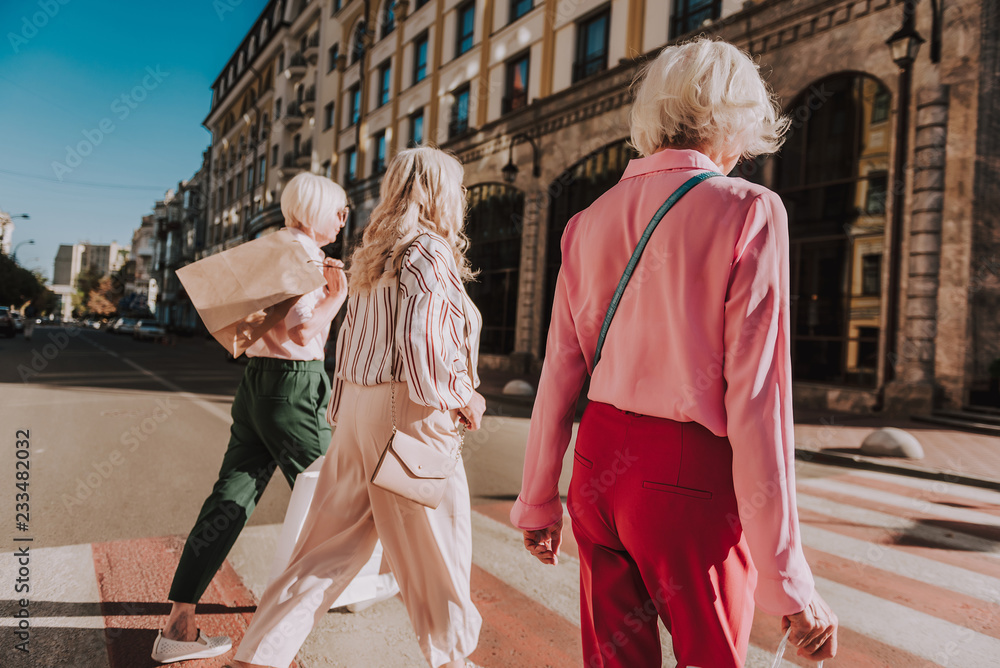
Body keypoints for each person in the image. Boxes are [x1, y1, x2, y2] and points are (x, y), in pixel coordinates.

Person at [511, 37, 838, 667]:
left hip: (597, 466)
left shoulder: (586, 221)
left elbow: (558, 373)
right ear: (735, 116)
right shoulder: (749, 210)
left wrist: (538, 498)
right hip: (689, 476)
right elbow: (758, 401)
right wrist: (788, 581)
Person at [227, 146, 486, 668]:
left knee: (326, 546)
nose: (460, 197)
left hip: (360, 415)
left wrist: (342, 409)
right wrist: (463, 395)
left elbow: (348, 342)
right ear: (440, 193)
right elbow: (424, 340)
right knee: (438, 550)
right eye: (457, 187)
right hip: (411, 412)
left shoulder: (374, 254)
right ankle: (454, 659)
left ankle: (259, 653)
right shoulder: (430, 251)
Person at [151, 172, 351, 664]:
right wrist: (337, 296)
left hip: (256, 384)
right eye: (338, 209)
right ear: (313, 209)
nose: (344, 218)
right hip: (294, 387)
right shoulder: (303, 254)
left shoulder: (271, 246)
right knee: (340, 492)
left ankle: (179, 621)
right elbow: (305, 332)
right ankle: (342, 587)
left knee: (230, 495)